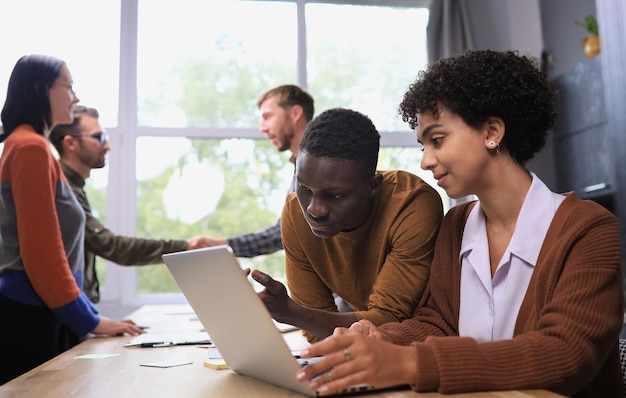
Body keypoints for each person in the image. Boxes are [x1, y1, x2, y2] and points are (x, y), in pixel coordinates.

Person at [295, 50, 624, 397]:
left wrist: (409, 363)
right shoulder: (456, 224)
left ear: (492, 132)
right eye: (423, 145)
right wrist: (381, 338)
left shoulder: (588, 229)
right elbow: (437, 322)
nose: (425, 161)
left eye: (437, 140)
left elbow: (564, 354)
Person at [0, 54, 144, 385]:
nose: (75, 97)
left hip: (42, 312)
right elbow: (43, 256)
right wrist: (90, 319)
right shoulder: (29, 147)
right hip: (29, 316)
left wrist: (89, 315)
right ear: (40, 88)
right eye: (69, 87)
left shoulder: (31, 146)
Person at [249, 107, 444, 343]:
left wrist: (294, 314)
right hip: (365, 354)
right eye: (305, 189)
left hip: (420, 350)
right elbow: (315, 327)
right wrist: (298, 314)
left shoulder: (411, 205)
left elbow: (388, 319)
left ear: (372, 187)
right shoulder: (295, 212)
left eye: (335, 196)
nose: (314, 209)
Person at [48, 106, 214, 303]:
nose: (107, 146)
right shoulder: (63, 188)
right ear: (70, 143)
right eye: (99, 137)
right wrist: (184, 246)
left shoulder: (71, 185)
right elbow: (111, 246)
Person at [203, 84, 314, 257]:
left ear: (295, 113)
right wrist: (224, 244)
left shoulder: (318, 166)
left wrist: (226, 245)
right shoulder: (301, 165)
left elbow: (284, 233)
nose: (262, 127)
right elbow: (286, 230)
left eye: (267, 117)